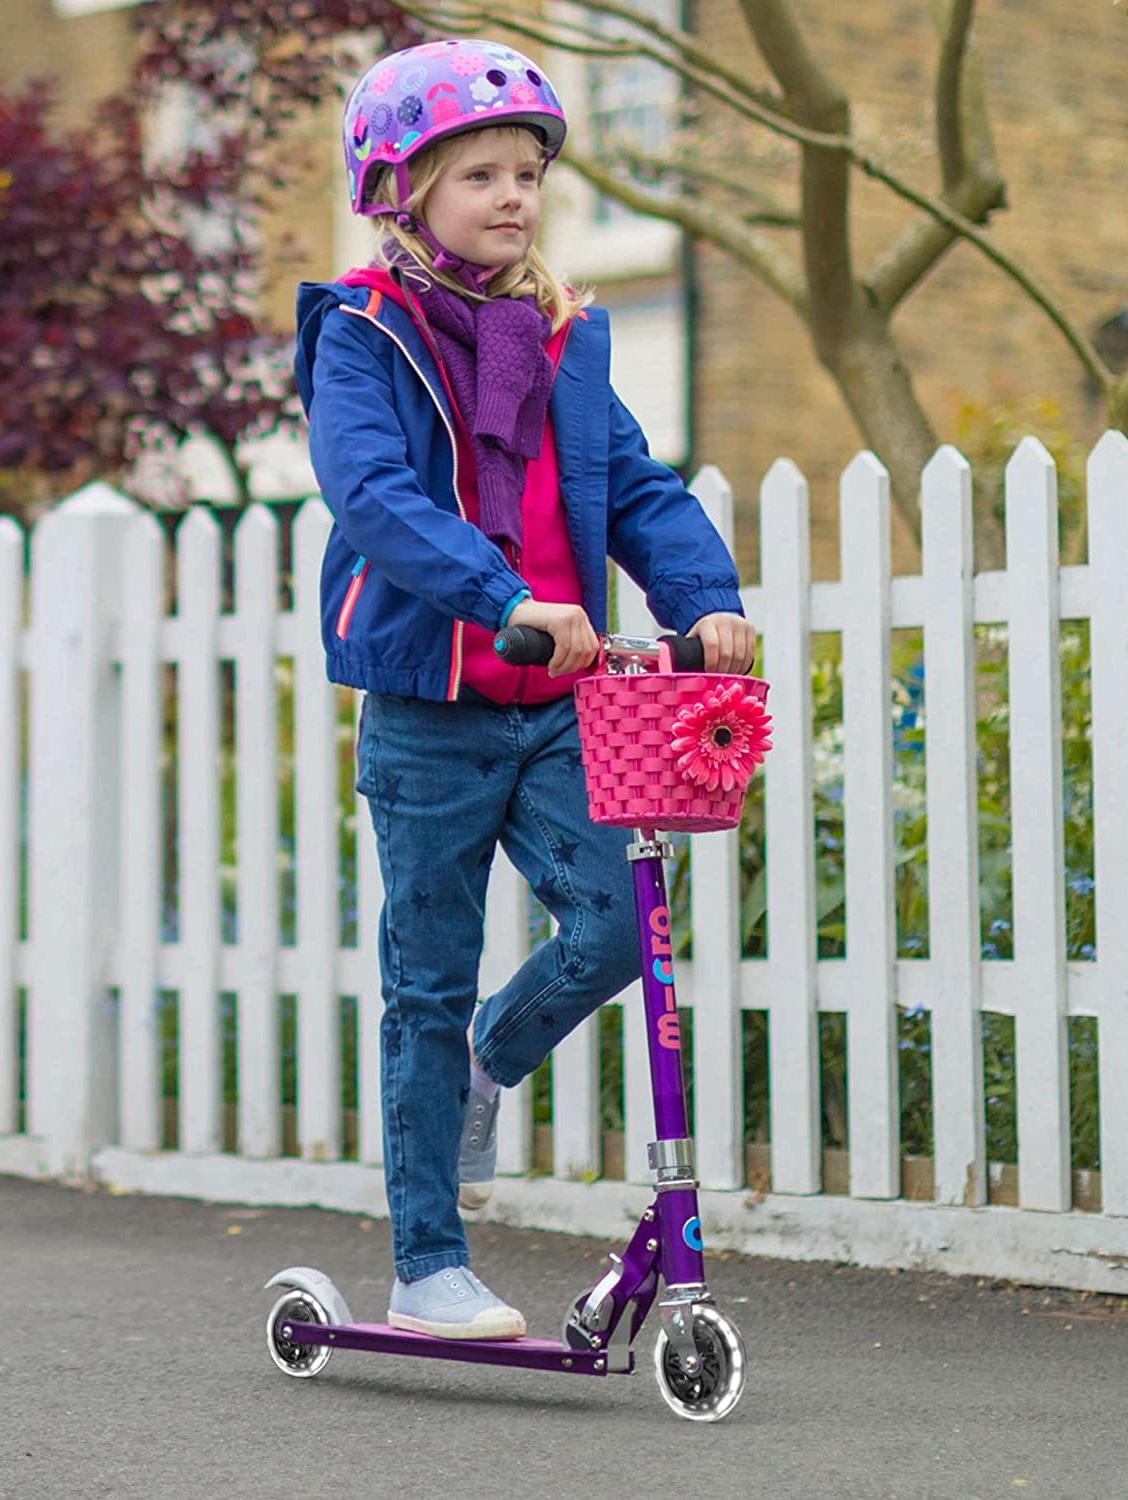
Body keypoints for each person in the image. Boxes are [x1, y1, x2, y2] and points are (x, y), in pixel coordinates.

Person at [293, 38, 754, 1341]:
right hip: (433, 710)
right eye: (481, 173)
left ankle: (496, 1058)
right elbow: (375, 498)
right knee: (423, 979)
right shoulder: (363, 335)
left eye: (528, 172)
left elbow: (640, 488)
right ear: (402, 191)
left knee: (619, 927)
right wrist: (503, 602)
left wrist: (701, 597)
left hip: (560, 708)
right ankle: (429, 1263)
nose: (514, 194)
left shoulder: (563, 339)